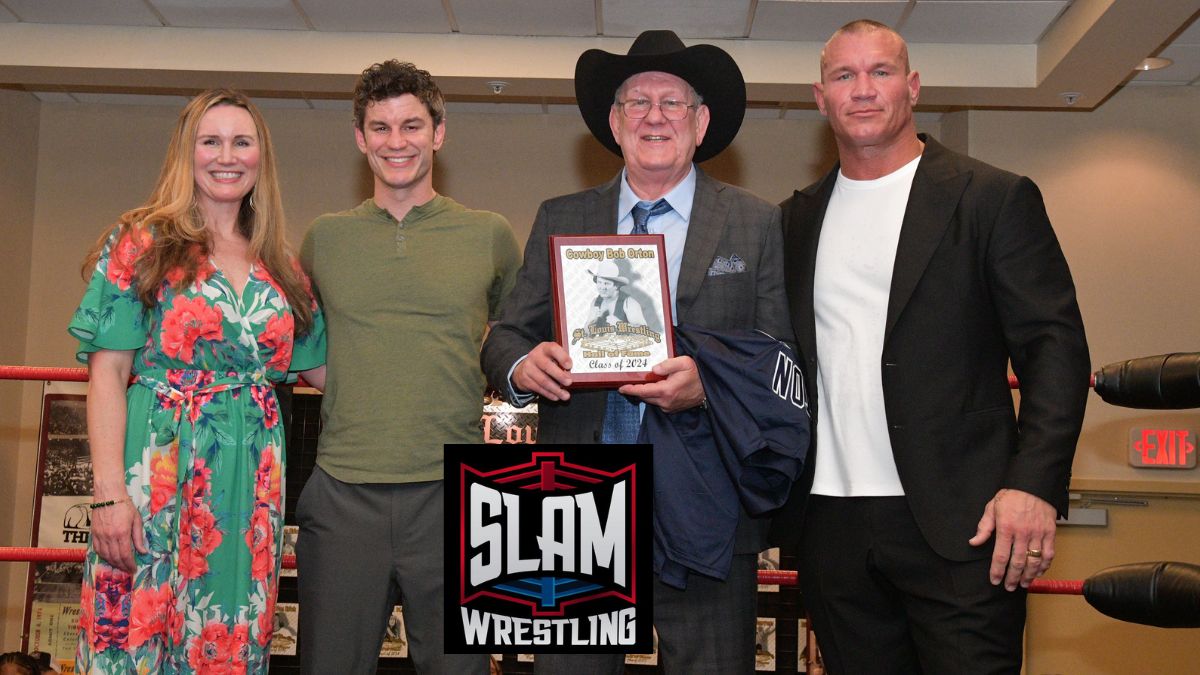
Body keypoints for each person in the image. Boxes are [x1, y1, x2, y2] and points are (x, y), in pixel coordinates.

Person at [771, 20, 1090, 673]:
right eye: (844, 76)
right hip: (830, 525)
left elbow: (1055, 346)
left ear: (912, 87)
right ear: (820, 97)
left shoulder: (992, 198)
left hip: (965, 524)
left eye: (880, 72)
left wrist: (1033, 484)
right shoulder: (795, 218)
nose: (863, 90)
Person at [481, 30, 793, 674]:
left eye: (673, 103)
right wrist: (520, 365)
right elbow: (506, 336)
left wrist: (708, 383)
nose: (655, 116)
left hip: (707, 497)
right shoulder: (560, 216)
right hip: (575, 498)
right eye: (637, 103)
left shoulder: (756, 223)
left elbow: (780, 357)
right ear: (614, 125)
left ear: (701, 122)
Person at [68, 89, 326, 673]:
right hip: (152, 477)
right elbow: (107, 372)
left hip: (247, 497)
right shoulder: (141, 242)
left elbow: (325, 369)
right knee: (130, 641)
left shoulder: (280, 264)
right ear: (187, 154)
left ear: (262, 157)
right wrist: (108, 495)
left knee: (227, 644)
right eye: (210, 141)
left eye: (242, 141)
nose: (225, 155)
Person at [295, 60, 520, 674]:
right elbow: (301, 351)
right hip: (343, 491)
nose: (397, 142)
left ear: (439, 132)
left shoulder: (490, 235)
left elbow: (512, 342)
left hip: (454, 492)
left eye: (412, 125)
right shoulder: (323, 239)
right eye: (381, 127)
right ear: (360, 138)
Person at [585, 259, 648, 333]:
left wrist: (621, 325)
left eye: (606, 283)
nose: (602, 287)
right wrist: (590, 322)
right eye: (599, 282)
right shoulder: (595, 302)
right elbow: (586, 333)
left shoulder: (629, 303)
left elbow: (644, 332)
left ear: (617, 286)